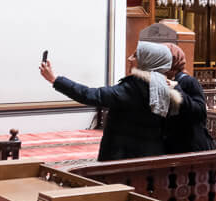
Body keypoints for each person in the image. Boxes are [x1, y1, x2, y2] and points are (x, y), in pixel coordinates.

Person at [40, 41, 182, 161]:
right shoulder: (165, 88)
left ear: (147, 62)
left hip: (122, 159)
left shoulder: (133, 88)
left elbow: (89, 95)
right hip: (152, 155)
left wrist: (55, 79)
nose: (130, 59)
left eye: (136, 56)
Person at [163, 43, 216, 153]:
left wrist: (176, 89)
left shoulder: (189, 81)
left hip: (191, 147)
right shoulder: (163, 81)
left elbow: (200, 112)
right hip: (174, 146)